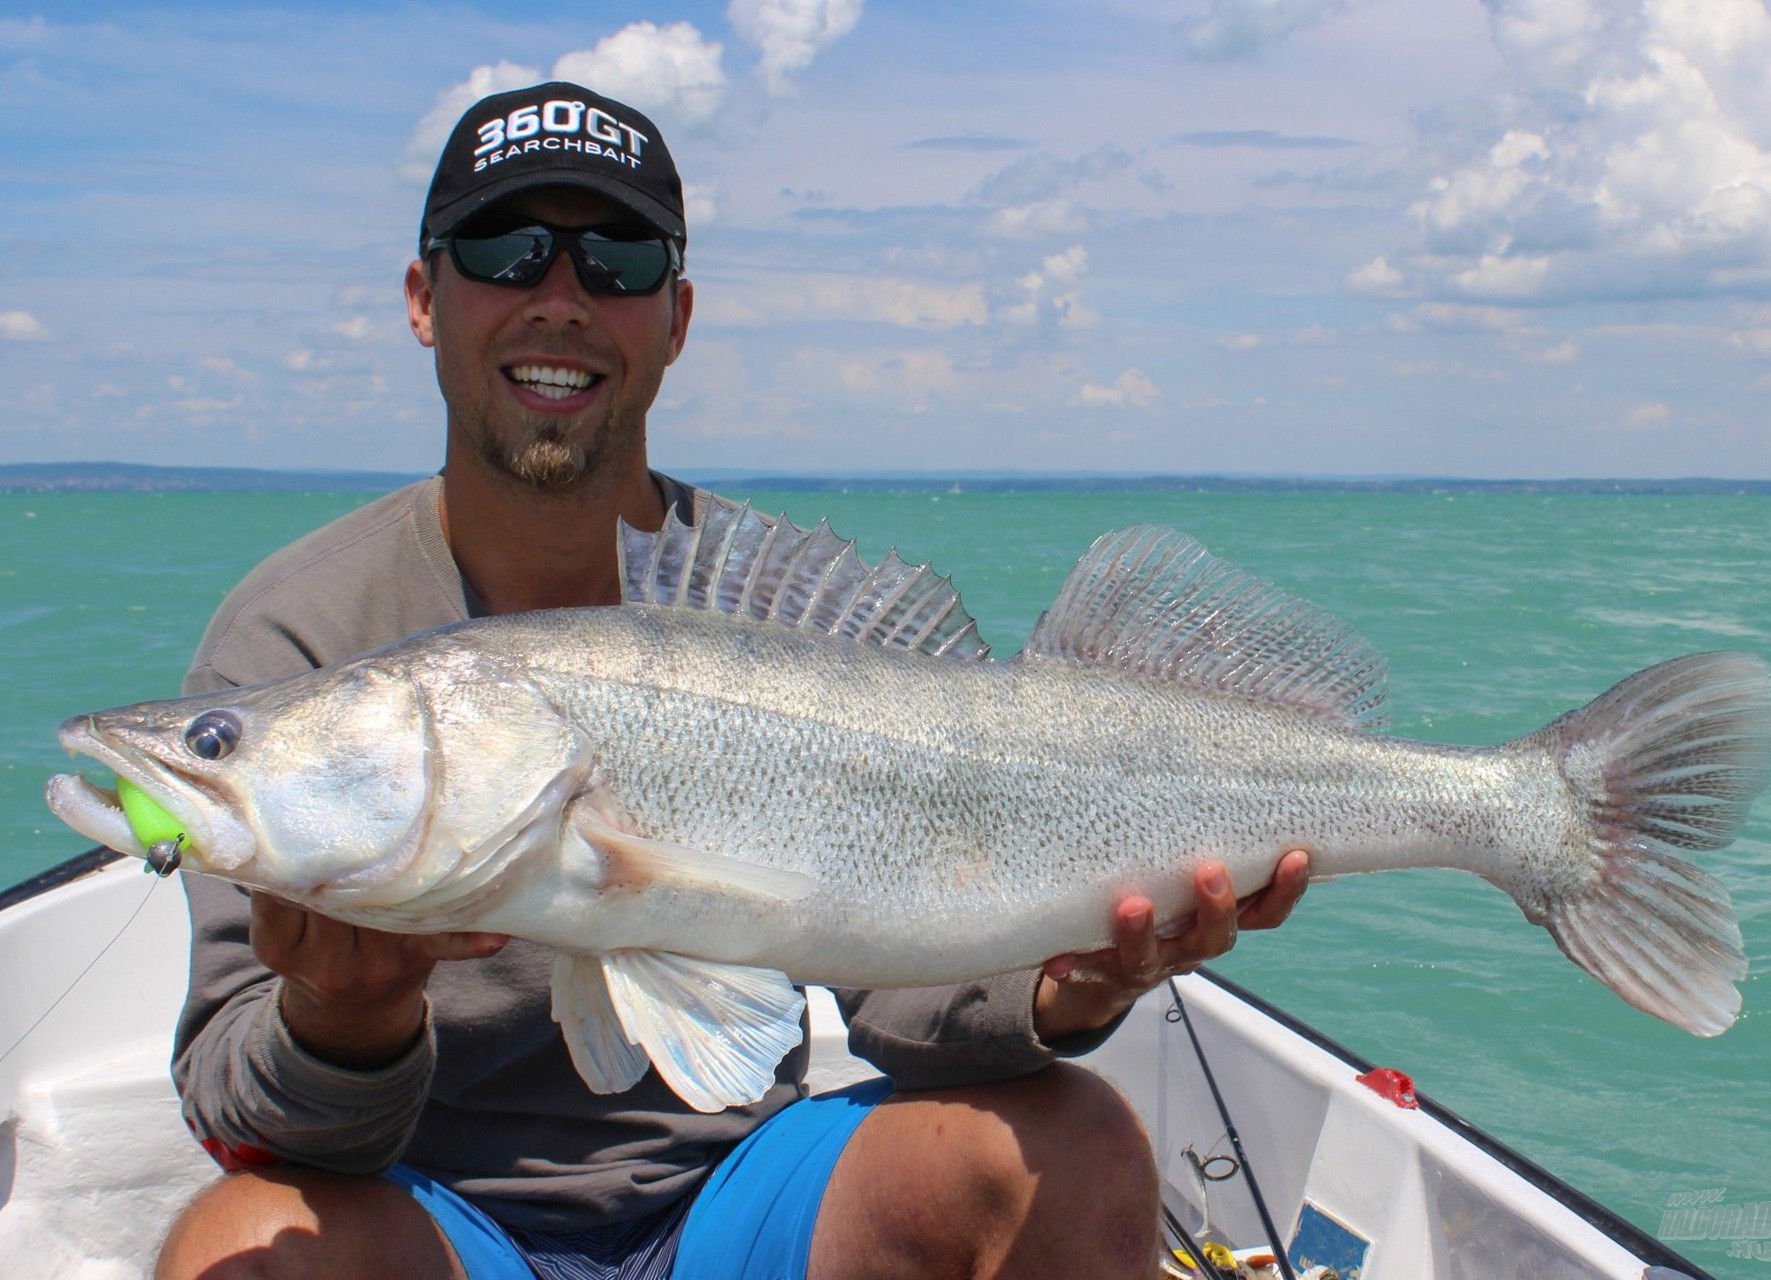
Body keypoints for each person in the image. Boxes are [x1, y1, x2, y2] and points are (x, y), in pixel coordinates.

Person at [154, 82, 1310, 1280]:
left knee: (1076, 1151)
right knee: (237, 1247)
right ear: (422, 298)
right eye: (505, 251)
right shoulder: (297, 631)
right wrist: (347, 1016)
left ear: (678, 316)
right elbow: (247, 1114)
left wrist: (1064, 989)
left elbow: (897, 980)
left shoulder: (763, 623)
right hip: (435, 1212)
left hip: (742, 1190)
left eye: (618, 260)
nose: (560, 299)